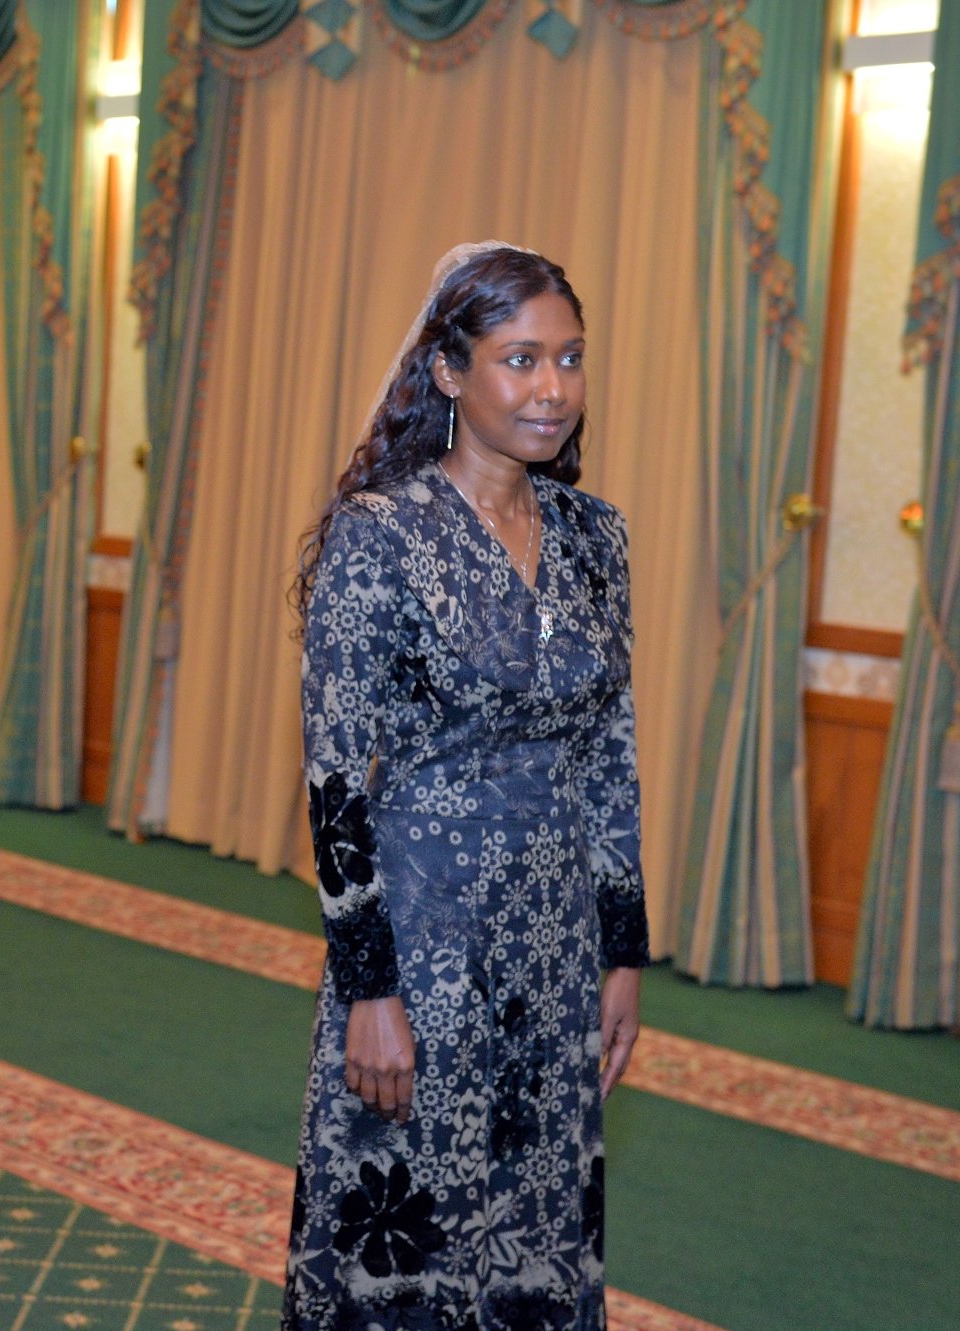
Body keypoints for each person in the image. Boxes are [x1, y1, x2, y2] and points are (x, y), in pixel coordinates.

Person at [284, 243, 649, 1330]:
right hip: (424, 935)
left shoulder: (595, 536)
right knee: (412, 1230)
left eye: (569, 358)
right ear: (449, 370)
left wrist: (622, 951)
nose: (552, 388)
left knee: (535, 1232)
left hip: (555, 941)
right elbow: (335, 783)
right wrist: (369, 989)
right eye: (519, 358)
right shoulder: (380, 535)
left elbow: (610, 752)